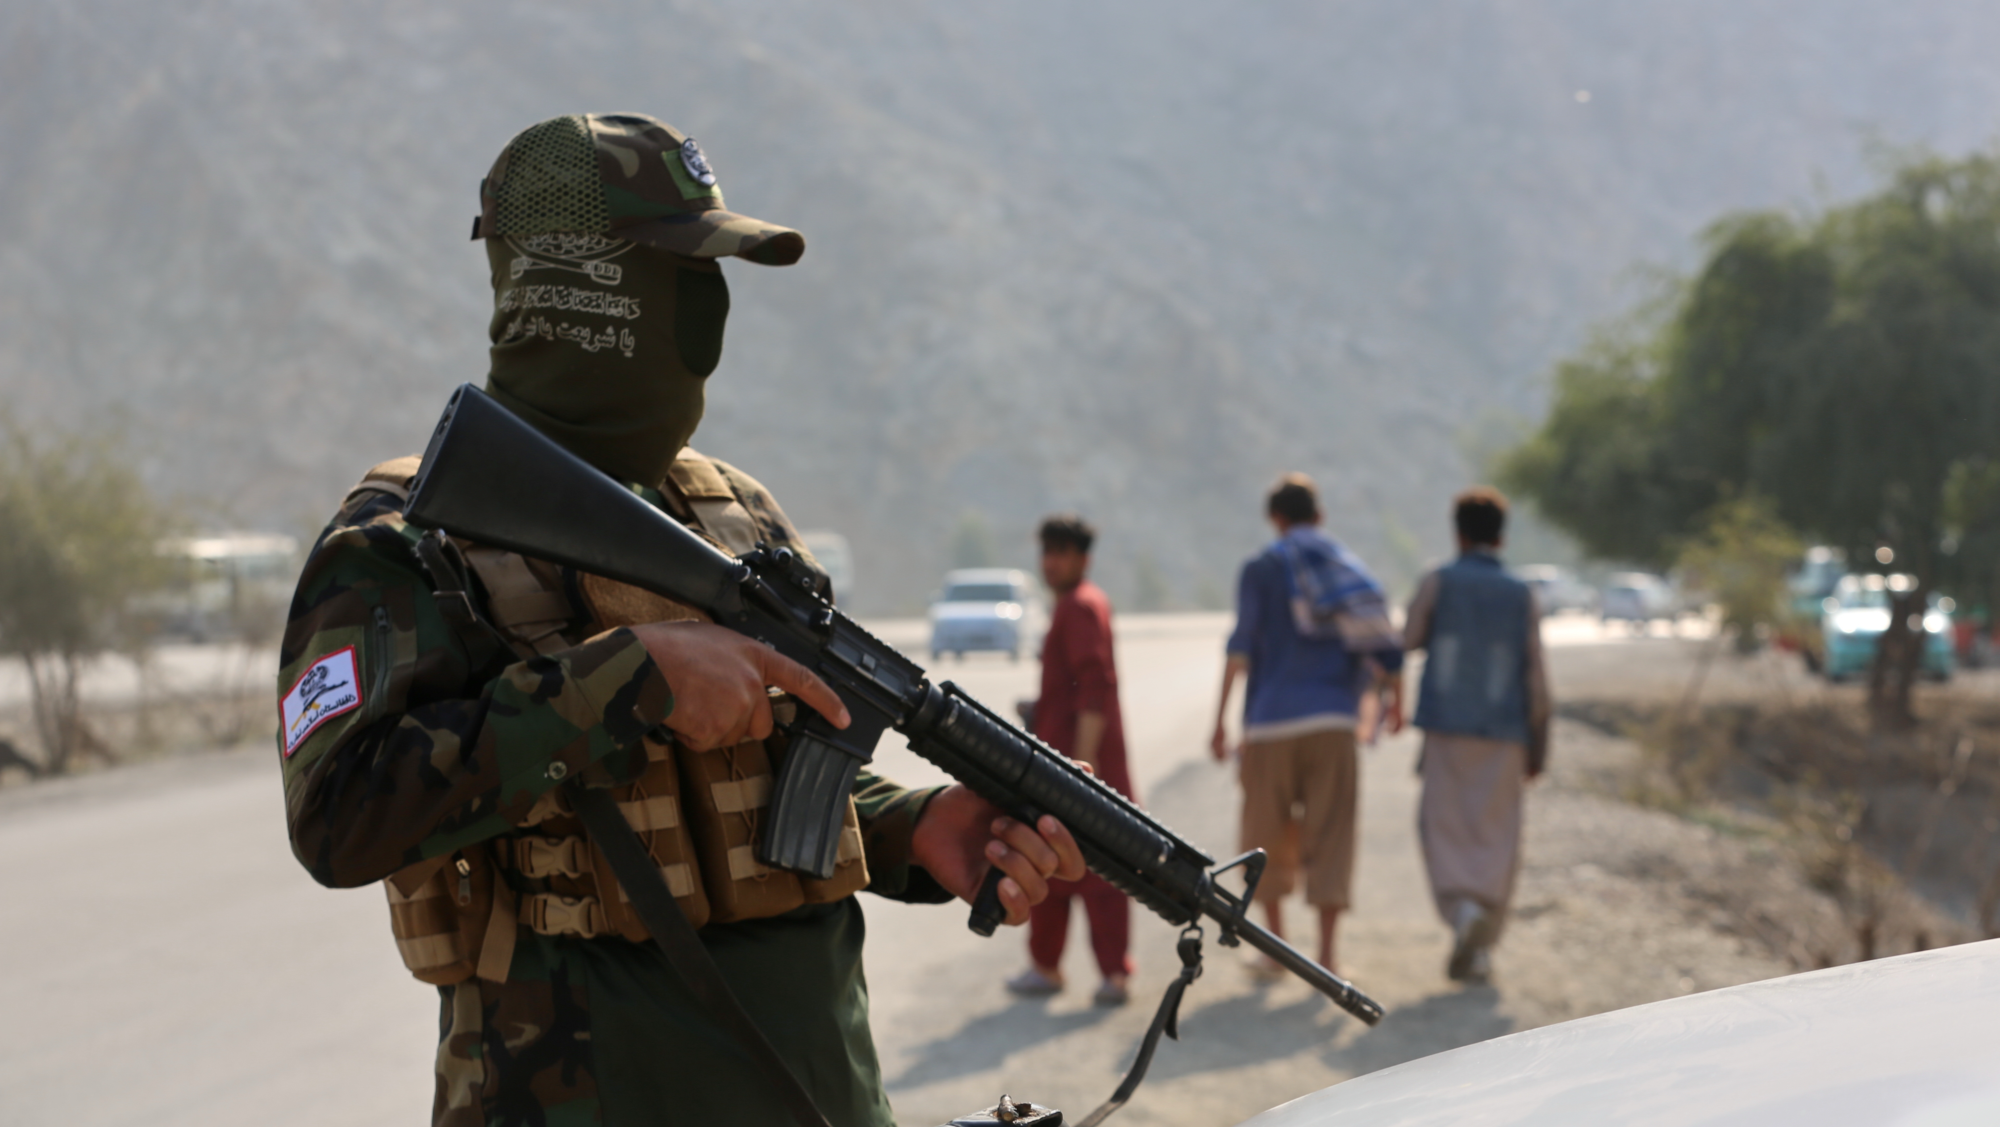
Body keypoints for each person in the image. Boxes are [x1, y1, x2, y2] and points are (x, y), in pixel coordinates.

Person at [274, 113, 1084, 1127]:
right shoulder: (410, 536)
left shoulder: (732, 511)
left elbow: (774, 782)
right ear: (580, 289)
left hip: (817, 1089)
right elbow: (338, 816)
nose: (707, 308)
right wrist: (625, 683)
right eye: (683, 271)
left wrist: (914, 829)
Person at [1209, 474, 1405, 974]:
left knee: (1265, 835)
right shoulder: (1344, 569)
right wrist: (1398, 703)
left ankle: (1277, 951)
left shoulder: (1262, 568)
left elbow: (1240, 648)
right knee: (1333, 834)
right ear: (1319, 516)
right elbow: (1387, 647)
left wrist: (1220, 722)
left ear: (1275, 519)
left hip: (1270, 723)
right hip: (1334, 721)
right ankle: (1327, 956)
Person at [1401, 486, 1551, 984]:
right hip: (1506, 733)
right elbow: (1536, 677)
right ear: (1501, 538)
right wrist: (1539, 743)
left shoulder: (1438, 581)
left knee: (1442, 826)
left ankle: (1463, 912)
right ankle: (1483, 944)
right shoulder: (1521, 593)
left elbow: (1408, 639)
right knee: (1496, 835)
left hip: (1447, 729)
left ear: (1458, 534)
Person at [1007, 514, 1136, 1006]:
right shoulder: (1071, 606)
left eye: (1062, 552)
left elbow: (1095, 686)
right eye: (1048, 552)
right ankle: (1046, 965)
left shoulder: (1081, 605)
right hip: (1061, 761)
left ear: (1084, 559)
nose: (1052, 562)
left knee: (1100, 870)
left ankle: (1113, 974)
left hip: (1082, 768)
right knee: (1050, 864)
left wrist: (1081, 770)